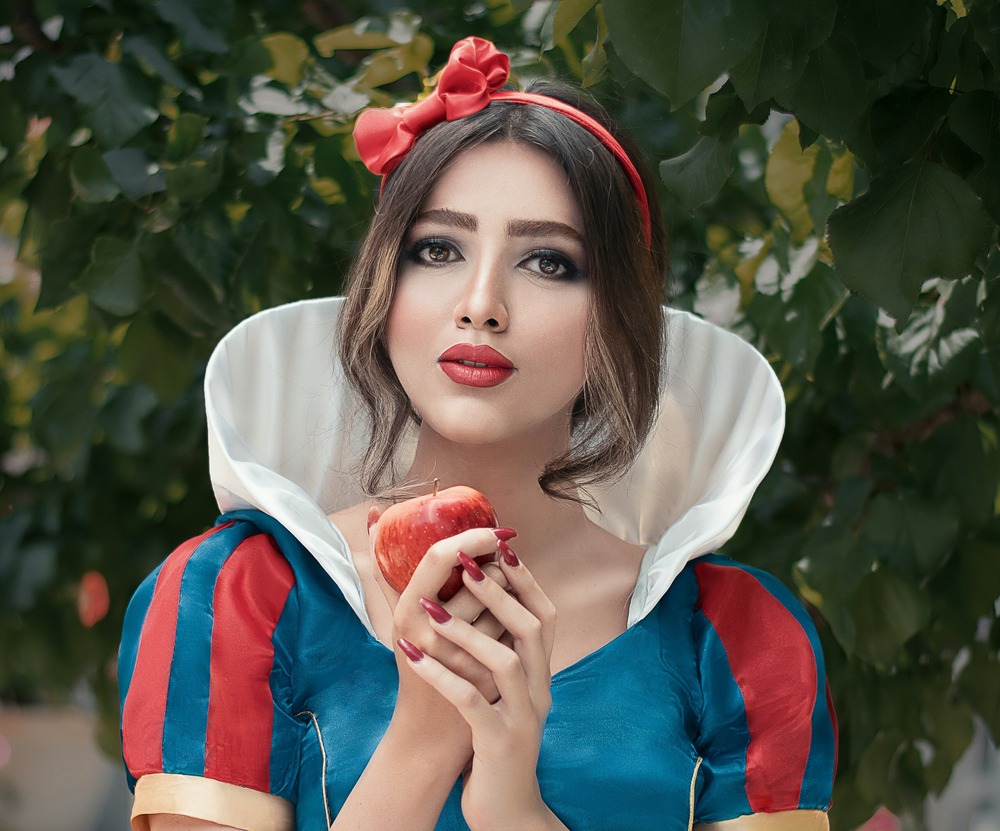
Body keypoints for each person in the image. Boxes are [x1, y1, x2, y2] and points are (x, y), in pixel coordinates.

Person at [118, 37, 837, 831]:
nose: (482, 302)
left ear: (620, 317)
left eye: (550, 263)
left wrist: (512, 804)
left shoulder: (735, 637)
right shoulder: (238, 595)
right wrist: (423, 746)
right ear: (382, 287)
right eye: (437, 249)